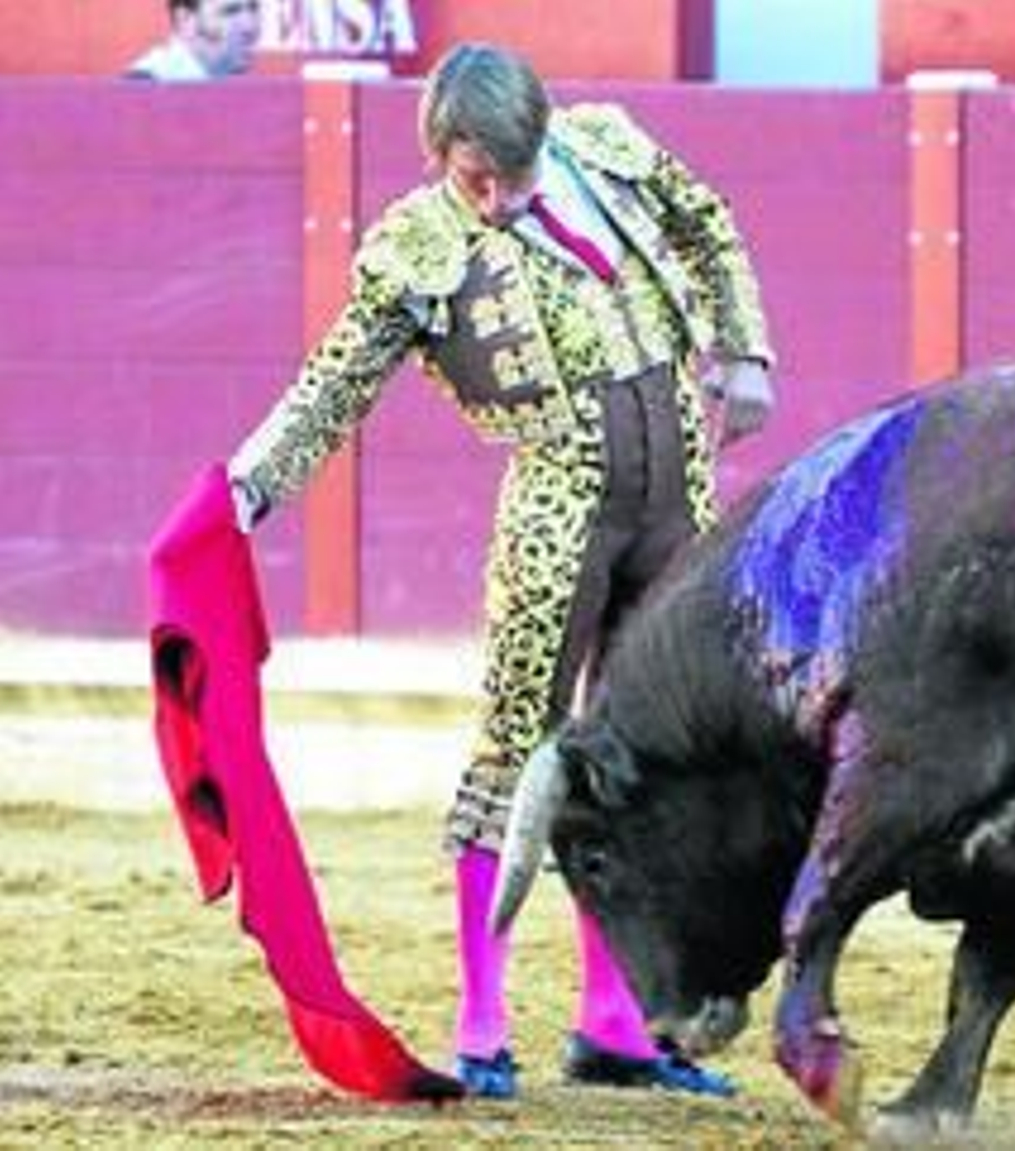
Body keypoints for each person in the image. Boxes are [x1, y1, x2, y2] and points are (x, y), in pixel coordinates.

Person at [225, 42, 776, 1098]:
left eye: (513, 174)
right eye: (475, 177)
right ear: (440, 153)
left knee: (645, 758)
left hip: (677, 506)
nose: (498, 197)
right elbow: (334, 382)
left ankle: (612, 1020)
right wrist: (249, 486)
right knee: (513, 756)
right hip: (559, 512)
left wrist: (744, 349)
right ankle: (481, 1016)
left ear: (543, 134)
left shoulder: (603, 148)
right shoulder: (418, 246)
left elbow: (707, 222)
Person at [127, 0, 262, 81]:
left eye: (253, 9)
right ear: (185, 19)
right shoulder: (143, 88)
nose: (250, 26)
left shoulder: (233, 84)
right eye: (230, 12)